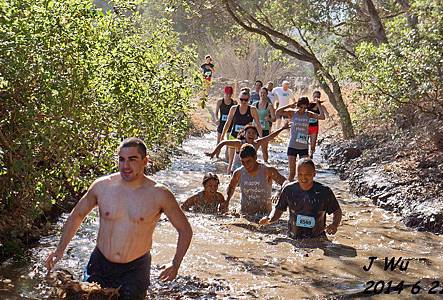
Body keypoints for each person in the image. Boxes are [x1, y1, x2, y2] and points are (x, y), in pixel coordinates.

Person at [45, 138, 193, 300]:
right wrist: (60, 250)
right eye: (121, 159)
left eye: (132, 159)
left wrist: (175, 263)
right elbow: (77, 215)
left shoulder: (159, 194)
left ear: (145, 161)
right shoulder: (102, 186)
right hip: (100, 263)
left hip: (135, 268)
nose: (125, 165)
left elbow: (185, 230)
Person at [259, 158, 342, 239]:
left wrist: (335, 225)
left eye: (307, 175)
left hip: (317, 239)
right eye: (300, 174)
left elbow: (337, 211)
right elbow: (278, 210)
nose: (303, 178)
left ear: (314, 173)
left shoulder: (324, 192)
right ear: (296, 174)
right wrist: (269, 219)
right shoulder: (289, 190)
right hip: (294, 238)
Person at [223, 144, 287, 215]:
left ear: (255, 157)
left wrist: (278, 193)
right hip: (245, 214)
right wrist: (227, 201)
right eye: (243, 162)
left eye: (248, 161)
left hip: (265, 215)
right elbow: (231, 187)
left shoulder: (268, 170)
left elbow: (285, 183)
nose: (246, 165)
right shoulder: (238, 173)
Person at [206, 122, 289, 173]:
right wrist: (213, 153)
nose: (251, 135)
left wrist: (282, 128)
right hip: (236, 169)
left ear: (256, 136)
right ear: (244, 135)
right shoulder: (239, 143)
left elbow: (270, 137)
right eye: (249, 133)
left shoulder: (256, 143)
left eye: (253, 133)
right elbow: (223, 142)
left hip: (249, 169)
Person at [276, 97, 325, 181]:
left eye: (305, 108)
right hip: (292, 146)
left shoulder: (308, 114)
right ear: (298, 106)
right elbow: (278, 112)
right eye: (301, 107)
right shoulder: (292, 113)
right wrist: (289, 105)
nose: (302, 110)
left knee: (304, 172)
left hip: (304, 147)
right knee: (292, 173)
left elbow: (322, 117)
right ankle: (283, 191)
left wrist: (318, 105)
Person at [219, 90, 263, 172]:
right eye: (241, 99)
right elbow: (228, 123)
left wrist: (261, 137)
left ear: (249, 100)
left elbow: (258, 124)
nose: (243, 102)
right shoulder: (234, 108)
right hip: (234, 136)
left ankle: (243, 178)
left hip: (245, 138)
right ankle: (229, 178)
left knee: (244, 160)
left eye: (245, 100)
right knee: (231, 161)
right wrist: (222, 135)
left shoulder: (252, 109)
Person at [214, 86, 237, 160]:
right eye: (227, 94)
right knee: (219, 141)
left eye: (230, 94)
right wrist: (216, 119)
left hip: (230, 124)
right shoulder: (220, 101)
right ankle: (217, 157)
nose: (228, 95)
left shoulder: (234, 103)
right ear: (224, 93)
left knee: (228, 142)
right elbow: (216, 113)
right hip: (221, 124)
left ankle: (227, 158)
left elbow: (236, 114)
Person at [255, 87, 276, 163]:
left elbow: (274, 119)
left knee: (264, 149)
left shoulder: (269, 105)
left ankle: (266, 164)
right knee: (253, 148)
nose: (262, 94)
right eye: (261, 93)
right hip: (255, 129)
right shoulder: (255, 104)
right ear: (259, 93)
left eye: (264, 93)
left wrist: (269, 119)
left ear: (267, 94)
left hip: (265, 129)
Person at [308, 90, 329, 159]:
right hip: (306, 126)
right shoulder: (308, 104)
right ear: (312, 96)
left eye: (318, 96)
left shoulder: (321, 106)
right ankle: (304, 155)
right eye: (315, 96)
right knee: (304, 142)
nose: (316, 98)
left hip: (314, 126)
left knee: (313, 144)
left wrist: (318, 105)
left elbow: (326, 116)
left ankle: (311, 155)